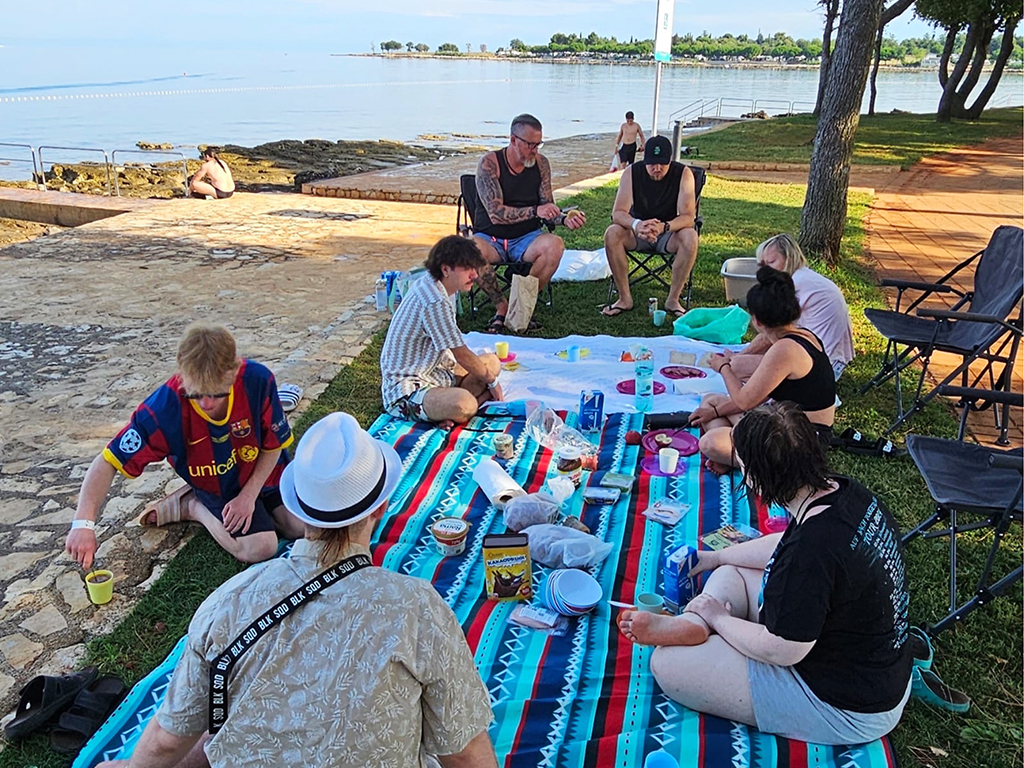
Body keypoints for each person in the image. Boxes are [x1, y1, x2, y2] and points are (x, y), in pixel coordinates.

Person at [96, 411, 498, 768]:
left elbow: (169, 737)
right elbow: (462, 750)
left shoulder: (229, 602)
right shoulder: (416, 607)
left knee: (222, 728)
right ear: (380, 507)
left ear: (297, 508)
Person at [617, 402, 912, 746]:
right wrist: (714, 558)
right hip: (865, 662)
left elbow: (783, 650)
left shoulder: (811, 553)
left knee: (668, 664)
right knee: (733, 571)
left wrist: (720, 619)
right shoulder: (844, 493)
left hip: (845, 706)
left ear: (758, 476)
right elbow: (780, 547)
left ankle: (704, 624)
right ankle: (695, 625)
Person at [65, 324, 302, 567]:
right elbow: (108, 461)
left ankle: (250, 506)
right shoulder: (163, 409)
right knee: (261, 547)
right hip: (218, 483)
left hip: (265, 470)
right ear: (182, 375)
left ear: (235, 371)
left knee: (300, 526)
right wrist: (83, 523)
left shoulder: (259, 380)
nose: (206, 403)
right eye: (196, 394)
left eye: (217, 393)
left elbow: (274, 444)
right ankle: (193, 506)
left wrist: (249, 496)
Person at [690, 266, 835, 473]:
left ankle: (747, 461)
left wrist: (723, 367)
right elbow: (754, 395)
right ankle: (738, 454)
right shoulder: (802, 334)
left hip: (802, 442)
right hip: (781, 424)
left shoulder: (784, 350)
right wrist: (714, 411)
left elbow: (744, 400)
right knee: (711, 402)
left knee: (710, 443)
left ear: (756, 320)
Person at [472, 113, 587, 334]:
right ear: (513, 140)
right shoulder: (489, 163)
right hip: (491, 237)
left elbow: (548, 208)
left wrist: (564, 219)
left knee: (555, 245)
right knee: (470, 251)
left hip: (526, 238)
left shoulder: (541, 164)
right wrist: (536, 211)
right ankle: (502, 306)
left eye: (538, 144)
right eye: (529, 145)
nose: (534, 150)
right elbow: (496, 213)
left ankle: (520, 307)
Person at [381, 235, 503, 427]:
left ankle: (443, 411)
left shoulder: (437, 285)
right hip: (406, 388)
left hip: (435, 371)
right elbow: (461, 353)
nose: (474, 275)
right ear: (445, 269)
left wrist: (488, 377)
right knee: (466, 403)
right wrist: (492, 384)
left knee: (492, 362)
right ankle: (456, 412)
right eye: (467, 269)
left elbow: (455, 352)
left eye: (474, 268)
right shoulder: (434, 300)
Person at [728, 233, 854, 380]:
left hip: (823, 366)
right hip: (829, 359)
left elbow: (769, 334)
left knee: (736, 366)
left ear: (789, 258)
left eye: (771, 262)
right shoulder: (804, 277)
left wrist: (735, 357)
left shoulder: (794, 284)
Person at [601, 135, 699, 318]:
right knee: (612, 233)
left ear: (669, 160)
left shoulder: (683, 174)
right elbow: (618, 213)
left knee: (691, 236)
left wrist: (664, 227)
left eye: (662, 163)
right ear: (645, 160)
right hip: (638, 232)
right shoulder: (631, 172)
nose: (657, 168)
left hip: (669, 232)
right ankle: (624, 298)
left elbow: (688, 217)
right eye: (652, 163)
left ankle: (673, 299)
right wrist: (636, 225)